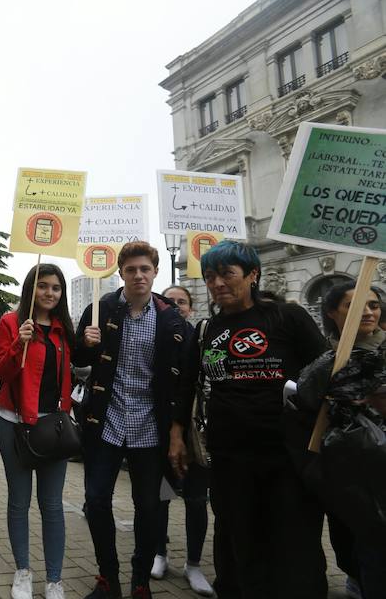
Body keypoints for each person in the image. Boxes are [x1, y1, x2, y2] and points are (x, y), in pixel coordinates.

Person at [168, 240, 328, 599]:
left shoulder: (287, 317)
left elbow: (324, 373)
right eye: (210, 277)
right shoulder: (206, 329)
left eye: (227, 274)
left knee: (293, 541)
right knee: (237, 539)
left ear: (252, 275)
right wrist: (177, 433)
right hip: (230, 455)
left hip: (287, 453)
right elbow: (187, 385)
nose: (217, 283)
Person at [75, 241, 188, 599]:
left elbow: (185, 380)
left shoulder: (171, 318)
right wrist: (86, 342)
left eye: (145, 269)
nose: (138, 275)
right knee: (95, 501)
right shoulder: (101, 309)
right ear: (120, 273)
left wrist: (177, 432)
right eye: (131, 270)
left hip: (150, 427)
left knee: (149, 507)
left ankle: (140, 580)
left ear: (155, 272)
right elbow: (78, 357)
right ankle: (107, 577)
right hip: (106, 423)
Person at [295, 283, 386, 599]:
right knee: (360, 546)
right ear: (332, 313)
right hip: (350, 473)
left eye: (373, 305)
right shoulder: (326, 362)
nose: (368, 311)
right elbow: (305, 401)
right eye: (355, 305)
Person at [0, 263, 75, 599]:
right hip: (14, 423)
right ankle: (23, 572)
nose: (49, 293)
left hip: (53, 428)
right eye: (43, 286)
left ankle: (54, 579)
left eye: (56, 288)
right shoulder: (11, 323)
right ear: (31, 288)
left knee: (52, 505)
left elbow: (77, 367)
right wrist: (18, 344)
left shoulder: (63, 328)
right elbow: (1, 369)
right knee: (19, 502)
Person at [150, 286, 212, 596]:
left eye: (182, 302)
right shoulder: (153, 335)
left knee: (197, 499)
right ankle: (160, 553)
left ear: (190, 307)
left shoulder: (201, 338)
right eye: (169, 301)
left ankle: (194, 563)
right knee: (161, 496)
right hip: (160, 429)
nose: (175, 306)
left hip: (194, 430)